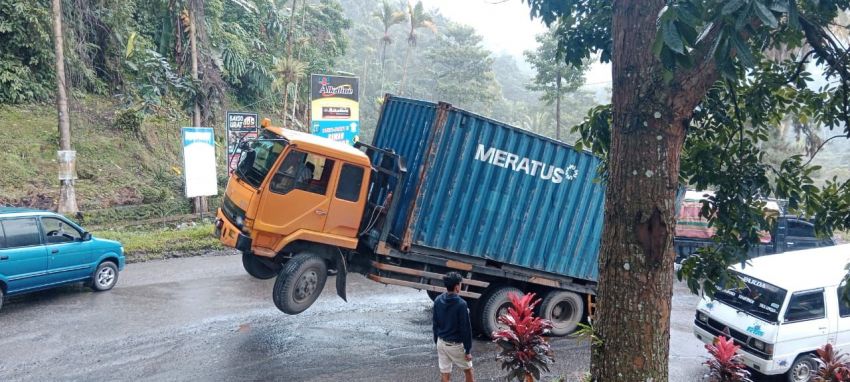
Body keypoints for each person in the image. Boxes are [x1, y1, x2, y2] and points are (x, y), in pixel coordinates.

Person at [432, 272, 474, 382]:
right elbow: (465, 329)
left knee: (445, 373)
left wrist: (436, 341)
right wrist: (468, 350)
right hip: (455, 346)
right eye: (460, 284)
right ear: (457, 287)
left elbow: (435, 324)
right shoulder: (461, 304)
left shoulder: (438, 300)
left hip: (441, 343)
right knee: (468, 370)